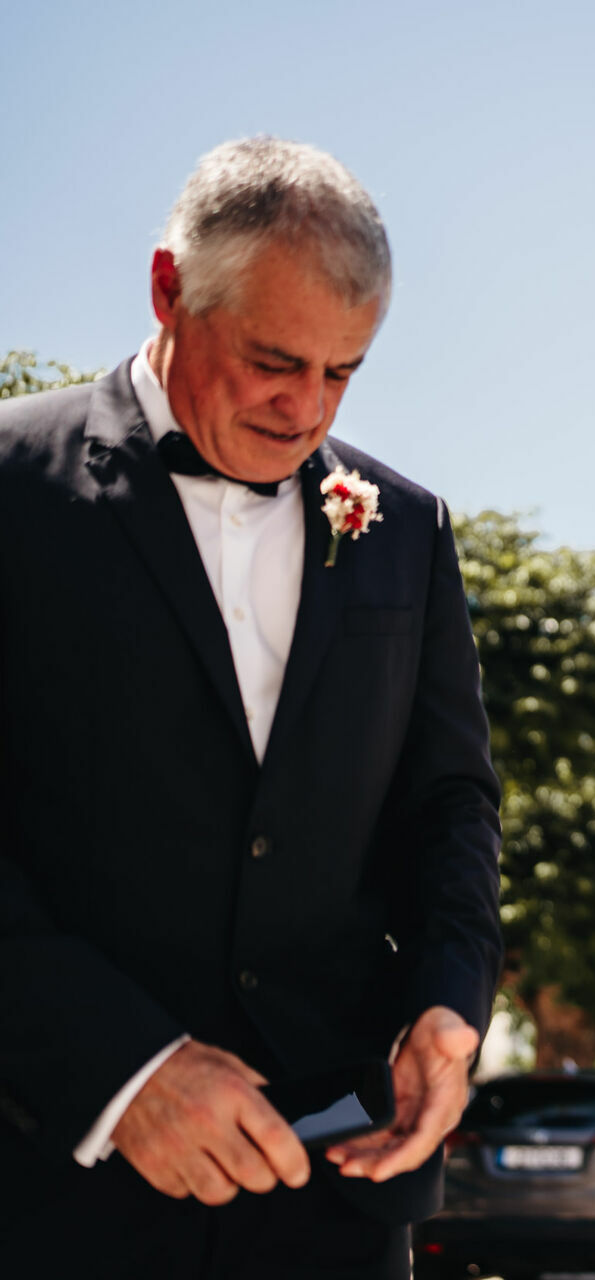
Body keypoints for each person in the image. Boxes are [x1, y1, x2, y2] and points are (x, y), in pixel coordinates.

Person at [0, 137, 503, 1278]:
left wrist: (446, 1002)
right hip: (48, 1181)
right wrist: (123, 1071)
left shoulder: (407, 528)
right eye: (278, 360)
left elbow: (452, 803)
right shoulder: (11, 486)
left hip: (336, 1192)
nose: (307, 411)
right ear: (169, 289)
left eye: (344, 372)